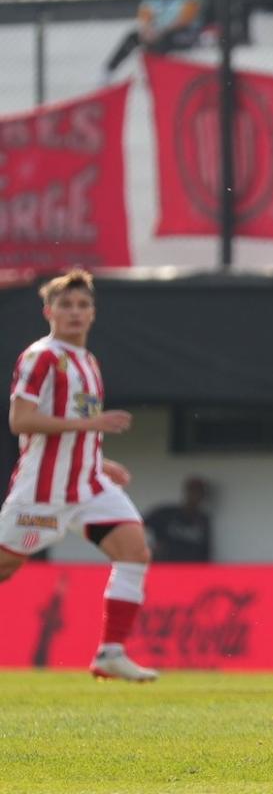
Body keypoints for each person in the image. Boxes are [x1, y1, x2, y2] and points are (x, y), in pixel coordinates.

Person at [0, 269, 158, 682]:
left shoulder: (87, 361)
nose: (74, 312)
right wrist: (89, 429)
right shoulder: (42, 356)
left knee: (134, 552)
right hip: (43, 491)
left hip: (88, 484)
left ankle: (110, 652)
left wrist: (97, 459)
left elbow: (73, 425)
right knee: (5, 568)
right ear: (48, 311)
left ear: (93, 313)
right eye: (65, 305)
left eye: (82, 305)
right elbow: (21, 420)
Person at [103, 0, 202, 78]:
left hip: (186, 33)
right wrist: (146, 29)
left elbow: (185, 19)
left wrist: (160, 31)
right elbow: (145, 13)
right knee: (133, 37)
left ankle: (158, 74)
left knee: (161, 42)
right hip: (157, 31)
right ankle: (107, 72)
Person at [143, 476, 213, 562]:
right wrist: (151, 547)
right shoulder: (167, 513)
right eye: (193, 491)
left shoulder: (203, 520)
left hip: (189, 570)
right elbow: (140, 525)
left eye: (199, 492)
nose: (196, 496)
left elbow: (205, 551)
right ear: (187, 492)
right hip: (166, 567)